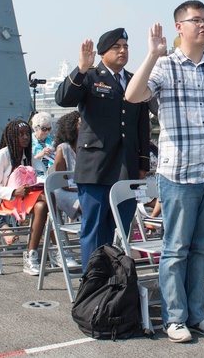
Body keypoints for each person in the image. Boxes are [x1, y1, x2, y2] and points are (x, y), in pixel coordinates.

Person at [126, 1, 204, 343]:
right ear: (179, 27)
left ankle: (197, 315)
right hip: (178, 174)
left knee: (202, 249)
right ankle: (174, 318)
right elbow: (133, 95)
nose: (203, 25)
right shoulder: (164, 66)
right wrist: (152, 54)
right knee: (175, 249)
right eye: (195, 20)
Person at [56, 28, 151, 270]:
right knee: (95, 228)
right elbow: (63, 99)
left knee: (121, 227)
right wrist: (81, 68)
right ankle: (93, 282)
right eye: (116, 47)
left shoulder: (134, 80)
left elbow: (142, 125)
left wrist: (143, 163)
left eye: (125, 47)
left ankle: (114, 279)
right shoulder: (89, 76)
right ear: (102, 53)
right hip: (95, 167)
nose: (122, 51)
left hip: (126, 166)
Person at [0, 120, 59, 274]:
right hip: (8, 200)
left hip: (26, 198)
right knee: (49, 198)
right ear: (12, 136)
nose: (26, 137)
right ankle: (58, 248)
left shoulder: (28, 154)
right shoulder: (2, 155)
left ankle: (31, 255)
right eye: (21, 134)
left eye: (27, 133)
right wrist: (14, 192)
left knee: (42, 205)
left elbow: (36, 175)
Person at [51, 110, 82, 221]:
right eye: (81, 123)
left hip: (83, 189)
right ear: (72, 127)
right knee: (89, 206)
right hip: (64, 190)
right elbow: (61, 182)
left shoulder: (88, 148)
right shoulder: (63, 149)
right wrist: (81, 189)